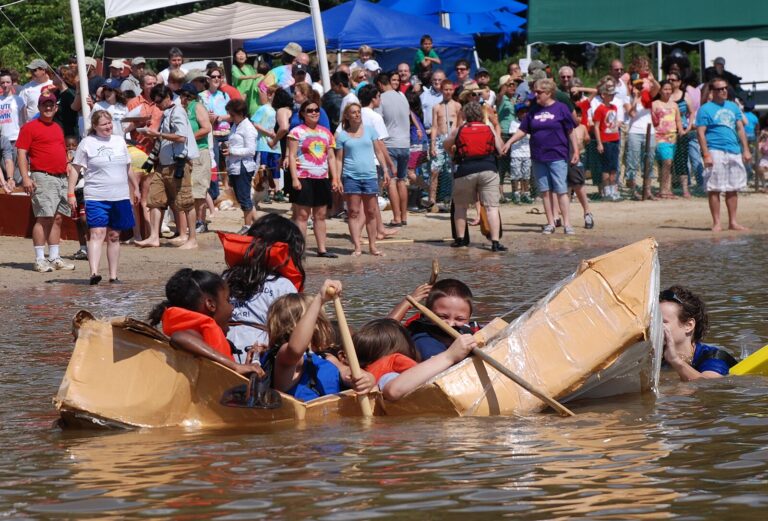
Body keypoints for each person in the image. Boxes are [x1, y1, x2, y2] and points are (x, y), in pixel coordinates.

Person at [261, 280, 374, 401]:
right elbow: (296, 348)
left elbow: (346, 371)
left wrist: (367, 378)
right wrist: (319, 299)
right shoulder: (284, 357)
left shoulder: (327, 357)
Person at [148, 269, 263, 376]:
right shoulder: (193, 334)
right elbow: (179, 337)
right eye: (227, 300)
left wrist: (246, 365)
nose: (232, 307)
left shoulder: (201, 340)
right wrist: (235, 366)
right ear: (211, 305)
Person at [224, 214, 305, 362]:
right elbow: (295, 332)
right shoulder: (284, 286)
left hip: (223, 352)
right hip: (258, 357)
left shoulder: (225, 278)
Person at [69, 110, 137, 285]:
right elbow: (75, 169)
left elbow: (128, 167)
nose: (108, 127)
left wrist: (135, 187)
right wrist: (70, 192)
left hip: (120, 195)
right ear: (95, 126)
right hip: (96, 195)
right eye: (103, 124)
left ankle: (113, 276)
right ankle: (94, 273)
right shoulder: (87, 143)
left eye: (109, 123)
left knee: (114, 235)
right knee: (97, 233)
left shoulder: (119, 141)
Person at [503, 79, 579, 235]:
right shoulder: (533, 110)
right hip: (538, 156)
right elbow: (523, 130)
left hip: (557, 155)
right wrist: (509, 142)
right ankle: (550, 222)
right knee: (545, 191)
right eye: (534, 92)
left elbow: (571, 131)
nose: (535, 95)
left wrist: (576, 151)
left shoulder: (561, 108)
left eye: (538, 92)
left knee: (561, 190)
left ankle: (567, 223)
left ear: (549, 93)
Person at [16, 92, 77, 273]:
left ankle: (55, 257)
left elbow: (61, 149)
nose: (48, 107)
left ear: (56, 107)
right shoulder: (29, 127)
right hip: (42, 176)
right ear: (39, 107)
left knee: (58, 218)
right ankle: (40, 259)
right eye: (45, 104)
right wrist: (26, 177)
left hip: (60, 177)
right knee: (44, 217)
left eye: (51, 104)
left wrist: (67, 163)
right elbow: (21, 153)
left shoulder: (57, 127)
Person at [135, 85, 199, 249]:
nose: (157, 104)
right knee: (155, 200)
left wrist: (157, 134)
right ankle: (154, 237)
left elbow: (181, 137)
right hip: (163, 164)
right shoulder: (167, 113)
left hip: (178, 163)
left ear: (168, 97)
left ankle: (192, 239)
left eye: (159, 101)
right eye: (155, 102)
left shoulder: (177, 111)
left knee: (185, 202)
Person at [355, 318, 476, 401]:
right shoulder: (389, 372)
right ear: (408, 348)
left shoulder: (364, 373)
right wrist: (449, 356)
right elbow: (393, 390)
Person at [443, 101, 506, 251]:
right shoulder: (489, 129)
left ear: (465, 115)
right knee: (491, 207)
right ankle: (495, 242)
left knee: (460, 206)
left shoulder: (459, 130)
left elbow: (446, 144)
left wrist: (452, 153)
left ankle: (459, 240)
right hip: (488, 170)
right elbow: (501, 149)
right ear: (480, 114)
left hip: (465, 170)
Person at [696, 77, 752, 231]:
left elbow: (740, 128)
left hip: (733, 150)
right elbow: (700, 133)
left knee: (733, 187)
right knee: (714, 187)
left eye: (725, 88)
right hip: (715, 149)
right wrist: (706, 153)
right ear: (712, 91)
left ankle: (733, 222)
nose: (724, 91)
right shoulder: (705, 109)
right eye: (720, 89)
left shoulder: (733, 107)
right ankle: (717, 222)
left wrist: (745, 149)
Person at [334, 102, 390, 256]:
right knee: (353, 211)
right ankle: (357, 246)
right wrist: (337, 179)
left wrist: (385, 170)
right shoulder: (342, 136)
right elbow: (338, 159)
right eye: (353, 112)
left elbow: (378, 152)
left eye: (359, 112)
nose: (357, 114)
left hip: (370, 175)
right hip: (351, 176)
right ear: (347, 115)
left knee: (371, 211)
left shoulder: (370, 131)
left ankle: (373, 246)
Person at [287, 99, 340, 258]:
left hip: (321, 177)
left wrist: (335, 178)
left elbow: (331, 157)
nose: (314, 113)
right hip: (303, 176)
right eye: (309, 110)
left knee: (320, 215)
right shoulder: (296, 132)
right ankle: (300, 249)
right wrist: (294, 178)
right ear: (302, 114)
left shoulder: (326, 133)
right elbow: (291, 155)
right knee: (302, 215)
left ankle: (322, 249)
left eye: (316, 110)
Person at [660, 286, 737, 380]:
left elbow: (708, 384)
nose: (654, 327)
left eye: (662, 321)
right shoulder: (655, 358)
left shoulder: (713, 357)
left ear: (689, 325)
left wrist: (675, 360)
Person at [376, 72, 411, 227]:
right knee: (402, 181)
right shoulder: (402, 96)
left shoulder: (382, 99)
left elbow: (378, 122)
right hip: (405, 144)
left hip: (390, 144)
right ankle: (404, 216)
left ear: (380, 85)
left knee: (391, 181)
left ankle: (396, 217)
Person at [177, 83, 212, 234]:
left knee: (199, 189)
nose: (180, 98)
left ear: (187, 96)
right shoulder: (182, 110)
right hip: (187, 153)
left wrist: (189, 138)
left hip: (200, 152)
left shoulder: (197, 107)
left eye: (182, 95)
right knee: (188, 189)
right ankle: (191, 222)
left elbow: (206, 128)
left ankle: (201, 221)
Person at [224, 98, 258, 233]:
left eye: (232, 115)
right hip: (234, 166)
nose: (230, 117)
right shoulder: (236, 125)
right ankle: (257, 224)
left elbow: (251, 150)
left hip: (243, 166)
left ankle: (248, 226)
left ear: (241, 113)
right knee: (241, 197)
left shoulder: (248, 128)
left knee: (244, 198)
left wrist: (232, 151)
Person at [624, 72, 661, 197]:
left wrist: (652, 79)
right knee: (633, 162)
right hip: (635, 131)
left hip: (649, 131)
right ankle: (633, 190)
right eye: (636, 85)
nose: (639, 87)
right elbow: (632, 114)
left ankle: (647, 190)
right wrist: (635, 98)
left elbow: (657, 88)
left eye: (641, 84)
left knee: (649, 161)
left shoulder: (648, 96)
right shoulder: (627, 98)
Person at [428, 79, 461, 208]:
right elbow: (435, 127)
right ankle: (432, 198)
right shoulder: (437, 107)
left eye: (450, 89)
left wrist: (457, 141)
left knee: (452, 170)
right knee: (434, 169)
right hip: (440, 140)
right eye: (445, 89)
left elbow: (459, 125)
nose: (448, 92)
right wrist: (432, 144)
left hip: (452, 139)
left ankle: (453, 197)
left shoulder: (457, 106)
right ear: (441, 90)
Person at [593, 83, 623, 201]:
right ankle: (606, 191)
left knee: (613, 167)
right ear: (603, 95)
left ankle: (613, 189)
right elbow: (596, 126)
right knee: (606, 167)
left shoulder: (614, 107)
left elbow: (614, 122)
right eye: (610, 95)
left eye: (613, 94)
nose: (612, 97)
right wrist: (599, 143)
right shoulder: (600, 109)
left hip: (615, 139)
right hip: (605, 140)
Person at [0, 69, 26, 183]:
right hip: (2, 137)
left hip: (16, 137)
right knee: (4, 167)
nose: (5, 85)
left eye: (7, 82)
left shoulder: (18, 100)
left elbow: (24, 120)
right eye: (2, 83)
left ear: (12, 83)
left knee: (16, 168)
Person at [507, 102, 533, 206]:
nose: (524, 114)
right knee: (515, 175)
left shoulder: (530, 122)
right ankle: (515, 194)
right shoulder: (514, 123)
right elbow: (513, 134)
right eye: (522, 112)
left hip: (527, 153)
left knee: (526, 174)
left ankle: (525, 193)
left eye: (526, 112)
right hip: (516, 153)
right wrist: (523, 133)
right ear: (517, 114)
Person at [231, 48, 261, 117]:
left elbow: (255, 79)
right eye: (239, 54)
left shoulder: (249, 67)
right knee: (241, 114)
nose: (241, 56)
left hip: (251, 95)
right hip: (240, 96)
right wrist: (253, 76)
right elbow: (239, 77)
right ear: (235, 58)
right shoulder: (234, 67)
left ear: (246, 57)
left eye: (243, 54)